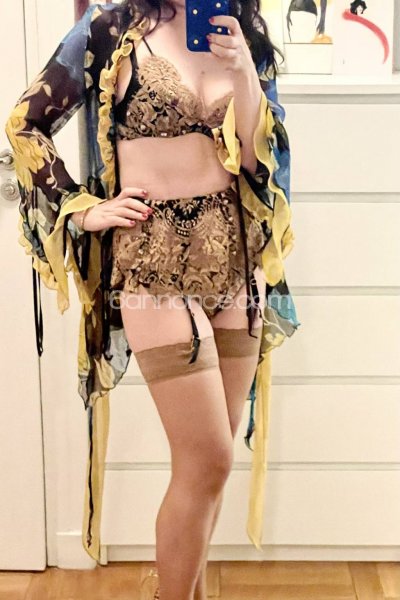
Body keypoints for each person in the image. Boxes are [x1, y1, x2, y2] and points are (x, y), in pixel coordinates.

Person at [5, 1, 300, 598]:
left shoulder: (242, 32)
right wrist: (81, 208)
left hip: (235, 257)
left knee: (211, 467)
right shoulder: (110, 29)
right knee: (208, 459)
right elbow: (25, 122)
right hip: (152, 260)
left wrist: (244, 73)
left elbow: (255, 161)